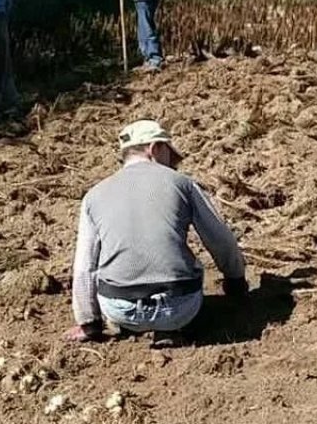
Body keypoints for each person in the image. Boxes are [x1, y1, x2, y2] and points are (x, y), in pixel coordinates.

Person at [66, 119, 248, 346]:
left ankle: (132, 324)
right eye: (170, 155)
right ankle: (172, 328)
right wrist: (235, 280)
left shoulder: (93, 196)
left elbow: (85, 267)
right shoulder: (183, 184)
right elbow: (220, 239)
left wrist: (89, 323)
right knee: (191, 272)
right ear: (155, 149)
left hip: (119, 308)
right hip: (179, 307)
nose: (172, 163)